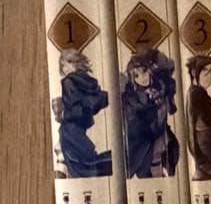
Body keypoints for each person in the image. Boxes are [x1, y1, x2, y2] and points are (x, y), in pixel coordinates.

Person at [52, 49, 112, 178]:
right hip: (78, 128)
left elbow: (74, 107)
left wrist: (63, 112)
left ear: (73, 63)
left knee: (82, 164)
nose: (63, 69)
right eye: (62, 66)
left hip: (70, 130)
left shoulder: (67, 81)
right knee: (73, 158)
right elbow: (99, 99)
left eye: (64, 65)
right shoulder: (87, 80)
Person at [122, 49, 181, 179]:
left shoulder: (160, 85)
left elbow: (169, 66)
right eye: (136, 76)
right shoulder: (131, 97)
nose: (142, 78)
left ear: (149, 70)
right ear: (132, 79)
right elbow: (134, 123)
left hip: (161, 135)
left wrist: (149, 53)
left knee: (169, 153)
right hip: (142, 142)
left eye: (144, 72)